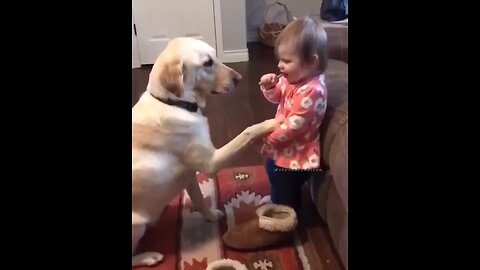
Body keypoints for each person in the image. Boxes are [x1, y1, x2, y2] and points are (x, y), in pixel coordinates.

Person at [258, 16, 328, 212]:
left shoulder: (313, 91)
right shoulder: (294, 78)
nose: (280, 66)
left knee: (285, 181)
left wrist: (268, 138)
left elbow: (295, 125)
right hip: (283, 145)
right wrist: (271, 86)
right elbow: (278, 97)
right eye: (279, 59)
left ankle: (287, 214)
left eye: (287, 61)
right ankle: (276, 199)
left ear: (311, 62)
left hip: (297, 152)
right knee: (273, 172)